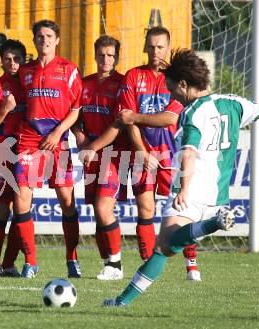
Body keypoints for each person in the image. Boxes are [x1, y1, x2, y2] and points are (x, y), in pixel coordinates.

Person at [103, 48, 259, 307]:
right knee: (165, 245)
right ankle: (121, 302)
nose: (170, 94)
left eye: (172, 88)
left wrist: (183, 188)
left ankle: (212, 225)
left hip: (192, 188)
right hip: (217, 194)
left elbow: (188, 152)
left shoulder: (192, 113)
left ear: (184, 84)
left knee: (165, 244)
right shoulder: (234, 102)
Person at [82, 26, 201, 280]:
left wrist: (136, 116)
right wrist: (141, 151)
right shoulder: (134, 76)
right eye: (151, 46)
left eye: (161, 46)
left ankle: (191, 263)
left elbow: (168, 118)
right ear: (145, 47)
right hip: (142, 155)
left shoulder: (178, 79)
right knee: (145, 207)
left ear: (168, 48)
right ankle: (147, 265)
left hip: (173, 154)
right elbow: (127, 121)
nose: (156, 51)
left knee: (183, 207)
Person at [12, 19, 83, 278]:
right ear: (34, 40)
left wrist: (58, 132)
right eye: (40, 36)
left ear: (57, 40)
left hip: (58, 139)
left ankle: (72, 258)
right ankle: (30, 262)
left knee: (67, 201)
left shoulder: (68, 69)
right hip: (29, 139)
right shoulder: (25, 72)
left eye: (49, 35)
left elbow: (76, 109)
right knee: (21, 200)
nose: (45, 40)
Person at [72, 35, 127, 280]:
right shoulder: (83, 84)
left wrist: (93, 145)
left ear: (116, 57)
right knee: (98, 212)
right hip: (90, 155)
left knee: (104, 207)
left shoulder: (123, 84)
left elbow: (119, 123)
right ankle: (108, 263)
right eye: (102, 54)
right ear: (95, 55)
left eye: (111, 55)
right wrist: (80, 136)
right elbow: (74, 117)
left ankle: (116, 265)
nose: (106, 59)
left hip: (113, 155)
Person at [0, 39, 27, 277]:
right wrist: (4, 110)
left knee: (22, 211)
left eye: (17, 58)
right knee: (2, 211)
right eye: (7, 59)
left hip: (26, 154)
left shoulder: (31, 86)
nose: (12, 63)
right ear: (1, 61)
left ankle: (9, 264)